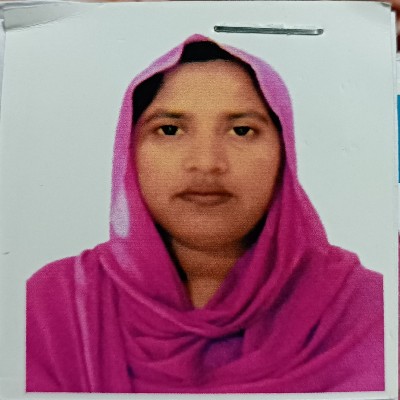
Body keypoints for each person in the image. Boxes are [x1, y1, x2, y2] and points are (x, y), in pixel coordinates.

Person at [26, 35, 384, 393]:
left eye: (241, 131)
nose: (207, 163)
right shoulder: (57, 306)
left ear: (284, 152)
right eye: (170, 130)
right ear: (129, 151)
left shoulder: (362, 307)